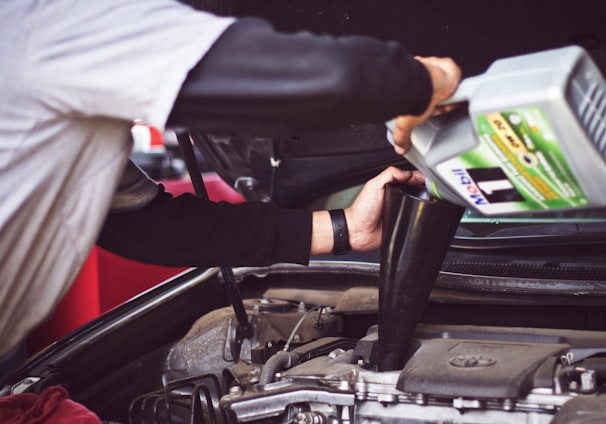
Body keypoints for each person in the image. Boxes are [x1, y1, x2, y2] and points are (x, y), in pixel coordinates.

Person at [0, 0, 460, 365]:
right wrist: (427, 80)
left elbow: (141, 224)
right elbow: (301, 75)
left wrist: (345, 229)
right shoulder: (48, 21)